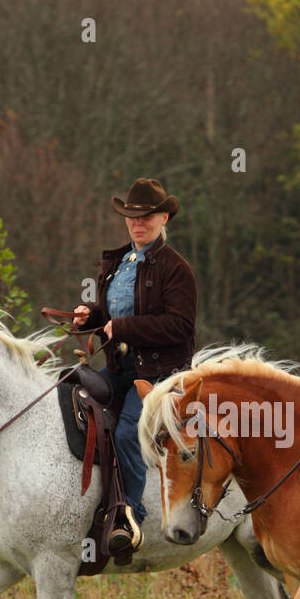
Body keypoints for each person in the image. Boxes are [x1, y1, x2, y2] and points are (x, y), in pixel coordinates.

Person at [73, 178, 197, 555]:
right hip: (121, 368)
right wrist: (90, 316)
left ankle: (131, 516)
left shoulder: (176, 269)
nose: (137, 223)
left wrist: (122, 327)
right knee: (68, 392)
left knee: (128, 433)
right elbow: (113, 315)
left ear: (162, 218)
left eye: (145, 217)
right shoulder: (117, 264)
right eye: (131, 217)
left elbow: (180, 327)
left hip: (160, 374)